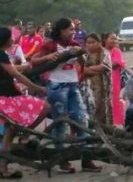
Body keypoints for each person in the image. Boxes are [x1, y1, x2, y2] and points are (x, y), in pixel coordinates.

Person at [31, 18, 101, 173]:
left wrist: (81, 54)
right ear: (61, 31)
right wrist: (48, 57)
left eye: (74, 30)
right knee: (61, 122)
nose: (73, 32)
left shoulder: (74, 44)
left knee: (82, 119)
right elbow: (34, 61)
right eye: (70, 29)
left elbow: (83, 63)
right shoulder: (50, 45)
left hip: (73, 85)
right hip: (57, 86)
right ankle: (63, 160)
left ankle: (86, 158)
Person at [0, 27, 50, 178]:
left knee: (9, 134)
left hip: (7, 97)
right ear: (6, 39)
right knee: (45, 107)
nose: (13, 39)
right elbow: (16, 74)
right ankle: (24, 136)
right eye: (11, 37)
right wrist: (37, 88)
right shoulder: (1, 54)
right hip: (7, 98)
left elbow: (12, 69)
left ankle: (3, 167)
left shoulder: (3, 55)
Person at [80, 33, 112, 124]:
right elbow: (81, 69)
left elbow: (104, 67)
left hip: (102, 86)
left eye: (92, 42)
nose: (89, 45)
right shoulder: (83, 54)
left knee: (102, 108)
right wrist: (94, 70)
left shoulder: (104, 52)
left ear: (99, 43)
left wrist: (89, 69)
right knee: (89, 107)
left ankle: (105, 132)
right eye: (88, 42)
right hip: (87, 86)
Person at [102, 32, 126, 127]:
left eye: (115, 39)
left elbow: (117, 64)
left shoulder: (116, 51)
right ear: (105, 40)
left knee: (115, 101)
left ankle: (117, 123)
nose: (114, 41)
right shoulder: (101, 51)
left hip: (114, 80)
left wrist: (103, 66)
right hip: (101, 80)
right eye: (112, 38)